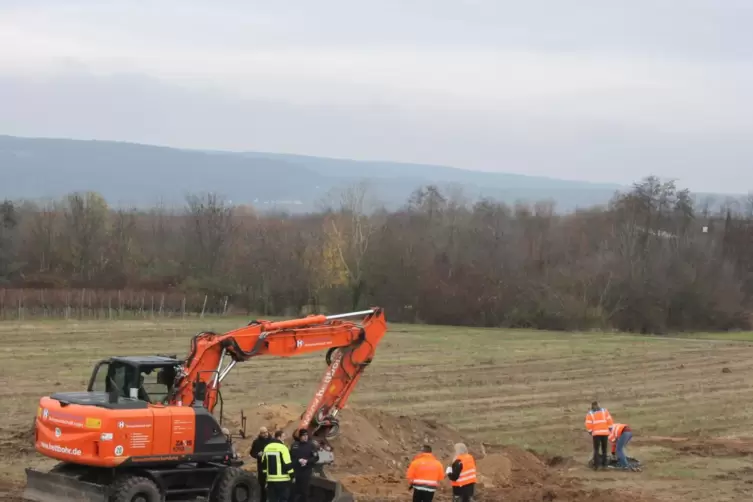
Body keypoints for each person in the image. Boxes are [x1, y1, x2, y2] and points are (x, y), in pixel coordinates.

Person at [261, 430, 295, 502]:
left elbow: (263, 464)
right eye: (283, 437)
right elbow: (287, 464)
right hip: (283, 480)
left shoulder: (267, 447)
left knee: (272, 499)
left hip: (271, 480)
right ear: (278, 437)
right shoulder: (283, 448)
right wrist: (292, 476)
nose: (284, 438)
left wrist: (265, 477)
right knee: (283, 499)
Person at [290, 429, 319, 502]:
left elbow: (316, 457)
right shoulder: (294, 445)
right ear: (300, 437)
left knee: (304, 491)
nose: (305, 437)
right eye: (303, 436)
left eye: (306, 435)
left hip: (306, 471)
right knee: (294, 491)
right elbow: (291, 457)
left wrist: (307, 461)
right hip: (296, 471)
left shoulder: (311, 445)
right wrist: (298, 460)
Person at [585, 401, 614, 470]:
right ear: (598, 405)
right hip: (605, 433)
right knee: (604, 450)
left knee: (596, 450)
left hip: (596, 434)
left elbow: (588, 424)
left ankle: (596, 466)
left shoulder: (590, 414)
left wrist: (590, 432)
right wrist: (610, 428)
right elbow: (609, 420)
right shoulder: (604, 411)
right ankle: (604, 465)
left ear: (592, 406)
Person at [251, 427, 273, 502]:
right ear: (260, 434)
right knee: (262, 484)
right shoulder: (256, 442)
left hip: (271, 465)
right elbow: (252, 453)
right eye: (263, 433)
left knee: (271, 484)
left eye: (266, 432)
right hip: (261, 466)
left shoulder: (272, 441)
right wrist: (257, 455)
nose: (265, 434)